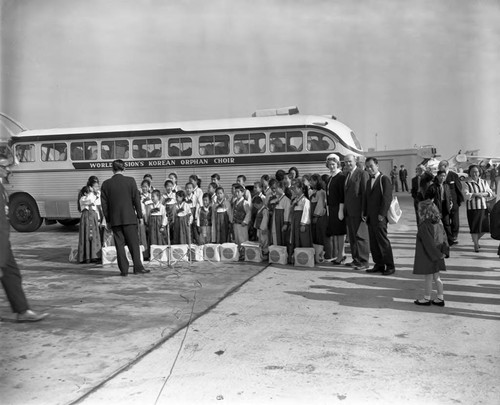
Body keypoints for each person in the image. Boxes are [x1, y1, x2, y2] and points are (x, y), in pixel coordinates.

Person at [0, 149, 48, 322]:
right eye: (5, 166)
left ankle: (22, 310)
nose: (9, 170)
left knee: (12, 274)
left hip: (3, 242)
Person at [100, 159, 149, 276]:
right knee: (133, 244)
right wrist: (140, 216)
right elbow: (136, 199)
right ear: (124, 168)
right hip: (130, 218)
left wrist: (107, 220)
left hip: (115, 220)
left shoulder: (106, 184)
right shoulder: (130, 181)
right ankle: (138, 267)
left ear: (112, 169)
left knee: (119, 245)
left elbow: (104, 205)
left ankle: (124, 270)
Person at [362, 157, 396, 275]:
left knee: (383, 242)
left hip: (380, 217)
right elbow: (366, 199)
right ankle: (379, 264)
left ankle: (390, 266)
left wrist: (382, 214)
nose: (369, 169)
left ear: (377, 165)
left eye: (371, 166)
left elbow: (387, 198)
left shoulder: (384, 179)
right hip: (370, 217)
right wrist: (365, 213)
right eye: (367, 167)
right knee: (374, 242)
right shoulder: (368, 181)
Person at [413, 200, 448, 307]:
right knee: (437, 278)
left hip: (428, 255)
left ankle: (426, 298)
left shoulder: (424, 226)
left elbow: (428, 243)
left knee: (428, 278)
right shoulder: (439, 223)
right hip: (438, 254)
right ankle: (440, 297)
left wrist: (436, 254)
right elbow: (445, 238)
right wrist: (443, 253)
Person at [343, 154, 370, 270]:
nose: (348, 164)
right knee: (353, 237)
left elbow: (365, 193)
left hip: (359, 211)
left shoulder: (362, 173)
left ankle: (364, 261)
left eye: (350, 161)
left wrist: (364, 211)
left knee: (361, 237)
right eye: (346, 162)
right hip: (350, 212)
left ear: (355, 161)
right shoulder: (348, 175)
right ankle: (356, 259)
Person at [463, 164, 494, 252]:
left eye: (476, 171)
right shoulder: (466, 183)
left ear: (479, 172)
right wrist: (476, 194)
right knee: (474, 228)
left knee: (485, 228)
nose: (474, 173)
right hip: (472, 208)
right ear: (469, 173)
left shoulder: (484, 182)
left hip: (483, 207)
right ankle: (476, 245)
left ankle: (475, 239)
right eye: (472, 172)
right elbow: (466, 195)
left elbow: (490, 193)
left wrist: (483, 194)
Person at [325, 153, 347, 265]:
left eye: (333, 164)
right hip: (332, 208)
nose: (331, 166)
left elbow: (342, 195)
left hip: (338, 207)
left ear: (337, 164)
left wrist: (341, 209)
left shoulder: (341, 177)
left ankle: (340, 254)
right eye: (329, 164)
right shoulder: (331, 178)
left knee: (340, 232)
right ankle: (340, 254)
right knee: (336, 232)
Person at [425, 170, 454, 245]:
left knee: (447, 224)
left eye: (444, 176)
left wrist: (450, 202)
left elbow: (449, 195)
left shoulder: (446, 186)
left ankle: (450, 240)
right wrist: (431, 203)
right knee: (437, 225)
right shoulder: (433, 187)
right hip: (436, 208)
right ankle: (438, 241)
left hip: (445, 206)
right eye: (441, 176)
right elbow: (427, 197)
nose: (442, 177)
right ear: (437, 176)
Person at [438, 160, 464, 244]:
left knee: (455, 220)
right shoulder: (437, 177)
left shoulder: (454, 175)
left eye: (440, 166)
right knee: (445, 221)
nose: (439, 168)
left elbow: (459, 188)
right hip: (443, 203)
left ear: (446, 166)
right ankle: (449, 238)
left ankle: (454, 236)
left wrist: (458, 201)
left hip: (453, 202)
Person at [77, 185, 102, 263]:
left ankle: (95, 255)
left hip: (93, 216)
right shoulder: (83, 199)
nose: (91, 193)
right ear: (85, 193)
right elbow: (90, 200)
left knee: (94, 235)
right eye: (89, 192)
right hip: (86, 217)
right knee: (86, 235)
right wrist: (94, 193)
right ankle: (86, 256)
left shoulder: (92, 197)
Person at [290, 179, 312, 254]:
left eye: (295, 188)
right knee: (296, 237)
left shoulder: (305, 200)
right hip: (295, 220)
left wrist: (303, 224)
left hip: (301, 221)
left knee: (303, 238)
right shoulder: (295, 199)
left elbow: (306, 213)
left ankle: (304, 255)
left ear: (300, 189)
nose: (294, 190)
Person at [309, 174, 327, 254]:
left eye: (312, 180)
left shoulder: (321, 192)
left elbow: (320, 205)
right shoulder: (314, 191)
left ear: (316, 181)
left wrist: (316, 216)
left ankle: (321, 252)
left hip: (319, 217)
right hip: (312, 215)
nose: (310, 182)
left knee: (319, 234)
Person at [232, 185, 251, 259]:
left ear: (243, 193)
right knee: (237, 239)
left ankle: (245, 254)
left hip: (242, 224)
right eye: (235, 192)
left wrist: (245, 221)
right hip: (236, 223)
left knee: (243, 239)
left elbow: (248, 213)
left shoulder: (245, 202)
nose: (237, 193)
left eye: (238, 192)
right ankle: (239, 254)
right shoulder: (235, 202)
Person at [271, 181, 291, 247]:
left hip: (281, 220)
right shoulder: (276, 198)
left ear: (281, 188)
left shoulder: (286, 200)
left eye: (276, 188)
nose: (275, 189)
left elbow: (287, 212)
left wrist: (285, 223)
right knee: (275, 234)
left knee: (281, 237)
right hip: (275, 219)